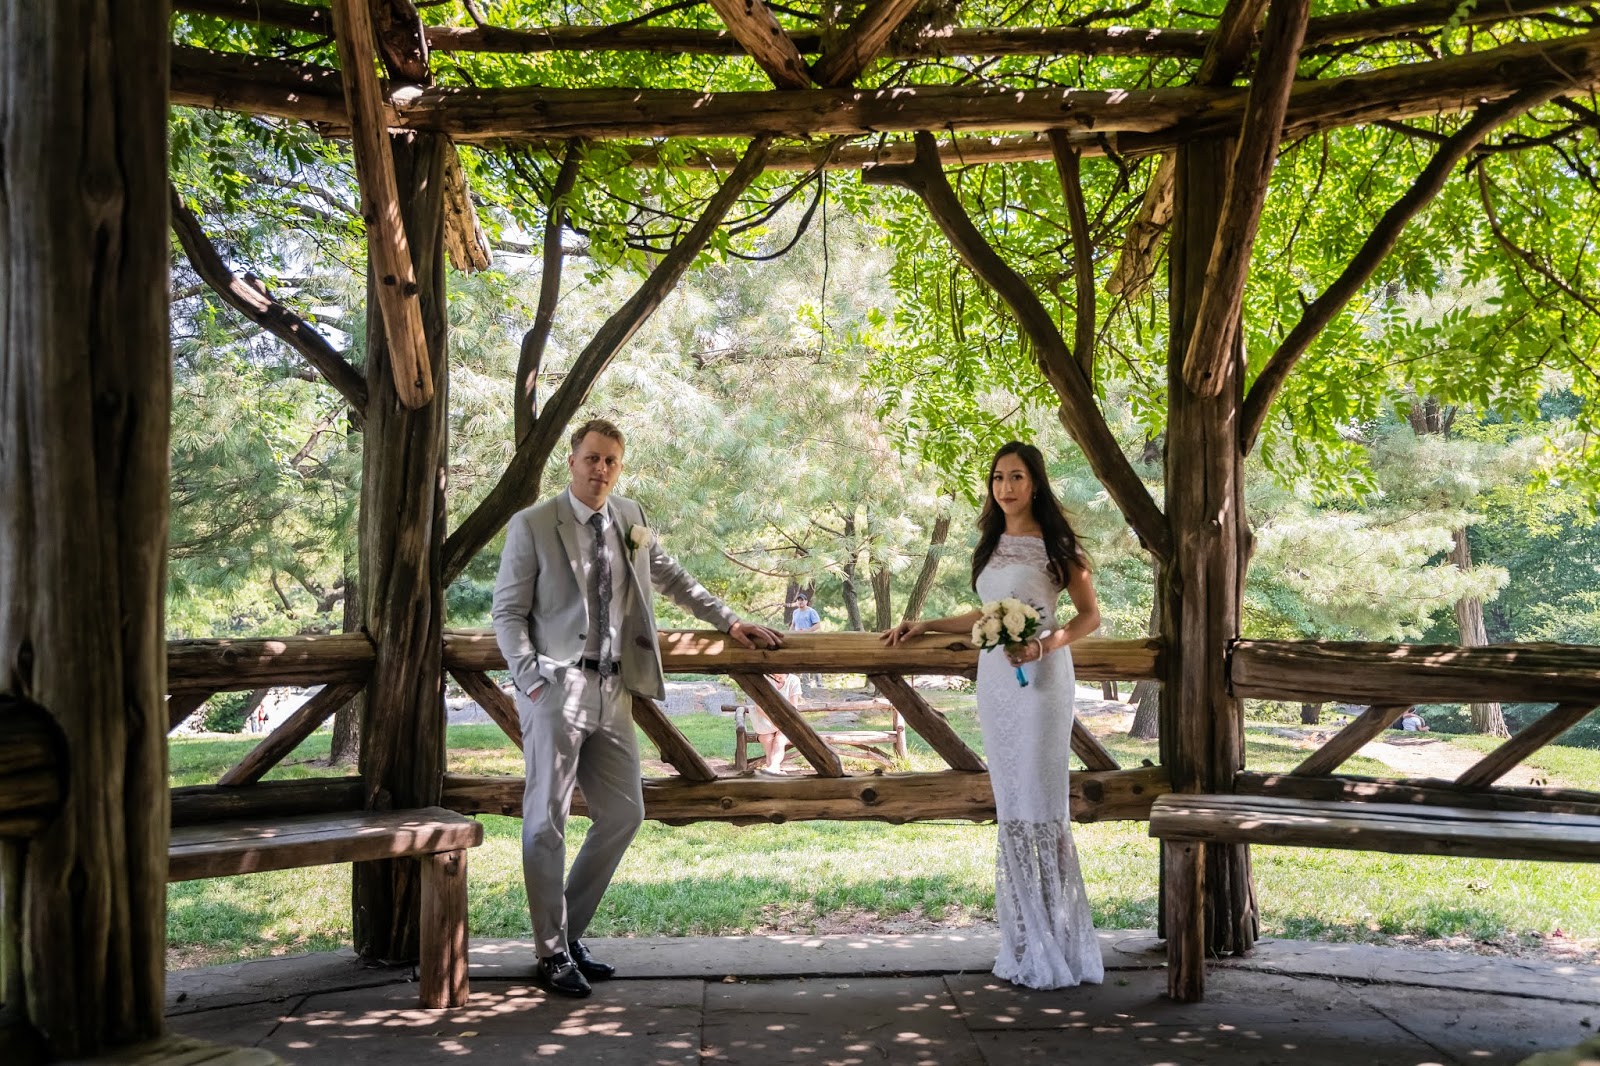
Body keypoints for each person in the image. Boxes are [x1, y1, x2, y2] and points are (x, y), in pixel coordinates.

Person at [492, 418, 784, 998]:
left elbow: (673, 577)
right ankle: (551, 953)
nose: (601, 469)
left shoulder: (631, 518)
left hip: (615, 690)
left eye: (611, 461)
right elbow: (506, 613)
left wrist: (730, 620)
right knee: (544, 821)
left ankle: (566, 933)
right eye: (593, 458)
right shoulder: (532, 525)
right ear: (571, 461)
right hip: (556, 689)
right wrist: (531, 681)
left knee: (625, 812)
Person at [881, 441, 1104, 990]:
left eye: (1018, 477)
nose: (1006, 487)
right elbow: (985, 615)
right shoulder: (990, 544)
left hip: (1044, 677)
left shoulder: (1058, 544)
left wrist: (1044, 646)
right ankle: (1025, 939)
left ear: (1036, 483)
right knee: (1012, 804)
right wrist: (925, 625)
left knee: (1040, 798)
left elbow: (1090, 617)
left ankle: (1059, 939)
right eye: (999, 477)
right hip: (998, 681)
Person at [747, 672, 803, 776]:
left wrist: (782, 723)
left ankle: (772, 769)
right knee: (767, 740)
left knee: (779, 740)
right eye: (774, 675)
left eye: (779, 676)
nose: (776, 678)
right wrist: (775, 721)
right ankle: (774, 769)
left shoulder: (793, 680)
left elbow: (793, 707)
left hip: (786, 721)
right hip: (766, 721)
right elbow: (759, 707)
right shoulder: (765, 680)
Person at [789, 592, 822, 689]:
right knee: (802, 660)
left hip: (810, 639)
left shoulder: (811, 612)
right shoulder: (795, 612)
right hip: (798, 640)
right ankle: (806, 683)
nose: (800, 602)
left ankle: (819, 682)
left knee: (813, 660)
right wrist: (790, 634)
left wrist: (807, 631)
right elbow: (793, 625)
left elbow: (817, 625)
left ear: (806, 601)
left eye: (802, 600)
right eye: (798, 600)